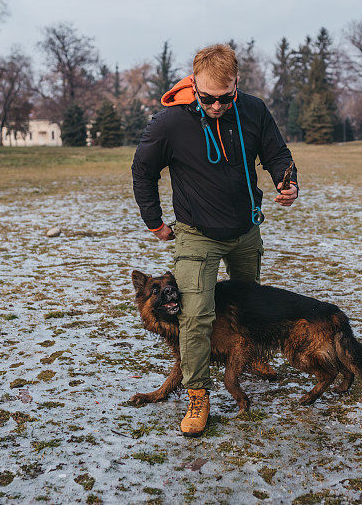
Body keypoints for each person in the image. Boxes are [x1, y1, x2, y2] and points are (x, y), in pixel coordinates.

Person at [131, 44, 298, 437]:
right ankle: (197, 395)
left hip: (245, 229)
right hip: (196, 234)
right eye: (208, 99)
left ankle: (250, 357)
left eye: (226, 98)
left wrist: (286, 181)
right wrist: (154, 222)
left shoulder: (253, 109)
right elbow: (142, 170)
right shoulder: (169, 122)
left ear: (236, 83)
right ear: (193, 85)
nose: (218, 106)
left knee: (249, 303)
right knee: (195, 314)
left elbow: (277, 154)